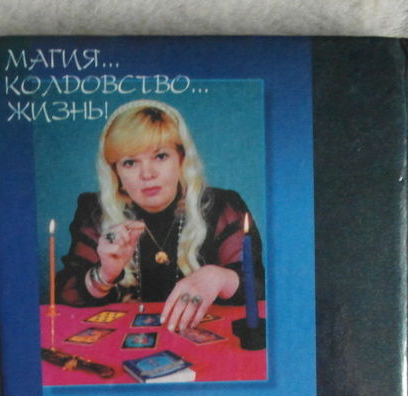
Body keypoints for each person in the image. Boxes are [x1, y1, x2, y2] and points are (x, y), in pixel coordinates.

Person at [55, 99, 265, 332]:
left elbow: (260, 286)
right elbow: (65, 296)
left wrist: (218, 277)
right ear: (115, 172)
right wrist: (105, 274)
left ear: (181, 159)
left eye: (161, 156)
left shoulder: (223, 205)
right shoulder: (94, 210)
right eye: (130, 162)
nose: (147, 174)